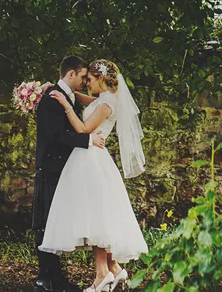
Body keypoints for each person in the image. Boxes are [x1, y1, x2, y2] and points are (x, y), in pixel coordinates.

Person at [39, 59, 148, 292]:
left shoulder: (107, 104)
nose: (86, 83)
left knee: (95, 216)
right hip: (90, 159)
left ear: (100, 78)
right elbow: (82, 99)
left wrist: (66, 106)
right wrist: (59, 89)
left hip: (91, 160)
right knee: (97, 214)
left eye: (89, 79)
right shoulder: (104, 100)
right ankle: (114, 269)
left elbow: (83, 129)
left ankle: (102, 276)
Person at [33, 55, 106, 292]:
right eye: (83, 76)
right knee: (45, 222)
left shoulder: (67, 96)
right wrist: (88, 140)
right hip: (51, 167)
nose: (86, 81)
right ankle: (46, 278)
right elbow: (56, 136)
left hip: (63, 168)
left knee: (58, 222)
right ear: (71, 74)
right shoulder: (52, 99)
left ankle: (56, 276)